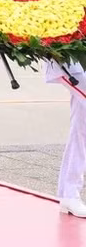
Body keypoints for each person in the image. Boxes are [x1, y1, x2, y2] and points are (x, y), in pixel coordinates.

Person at [42, 59, 86, 217]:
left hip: (79, 59)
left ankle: (69, 193)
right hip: (68, 60)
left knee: (81, 127)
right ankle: (69, 193)